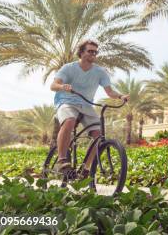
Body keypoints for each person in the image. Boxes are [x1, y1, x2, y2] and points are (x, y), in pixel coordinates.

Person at [50, 40, 129, 176]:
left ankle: (85, 169)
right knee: (69, 121)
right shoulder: (69, 68)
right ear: (81, 53)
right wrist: (63, 87)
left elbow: (109, 92)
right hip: (67, 102)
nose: (93, 54)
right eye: (90, 51)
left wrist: (121, 96)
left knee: (98, 135)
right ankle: (62, 160)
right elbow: (53, 85)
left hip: (86, 105)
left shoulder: (100, 72)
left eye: (95, 52)